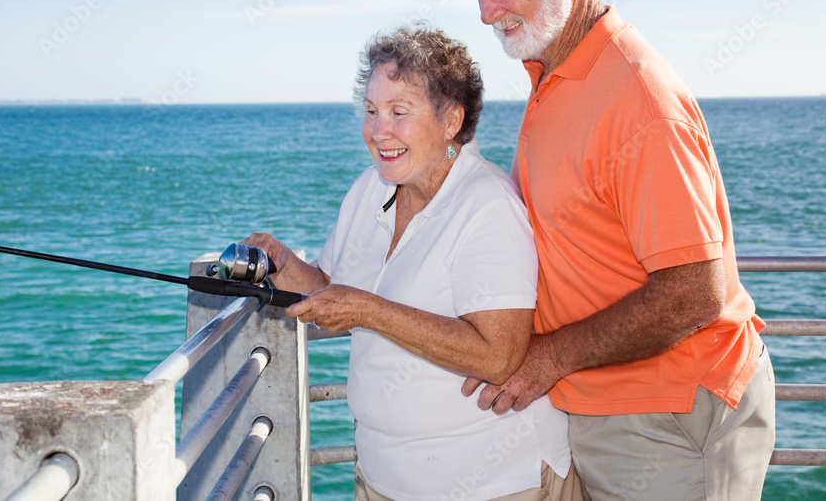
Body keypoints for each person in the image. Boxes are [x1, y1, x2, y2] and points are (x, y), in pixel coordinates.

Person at [461, 0, 776, 500]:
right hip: (609, 404)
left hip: (669, 415)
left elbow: (693, 292)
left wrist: (549, 357)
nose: (485, 13)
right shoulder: (555, 71)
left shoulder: (637, 98)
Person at [244, 26, 580, 501]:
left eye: (399, 113)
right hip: (385, 479)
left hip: (494, 482)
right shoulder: (370, 189)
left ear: (450, 121)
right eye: (371, 111)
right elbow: (332, 287)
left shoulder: (487, 204)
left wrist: (369, 311)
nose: (379, 131)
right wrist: (283, 263)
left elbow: (499, 355)